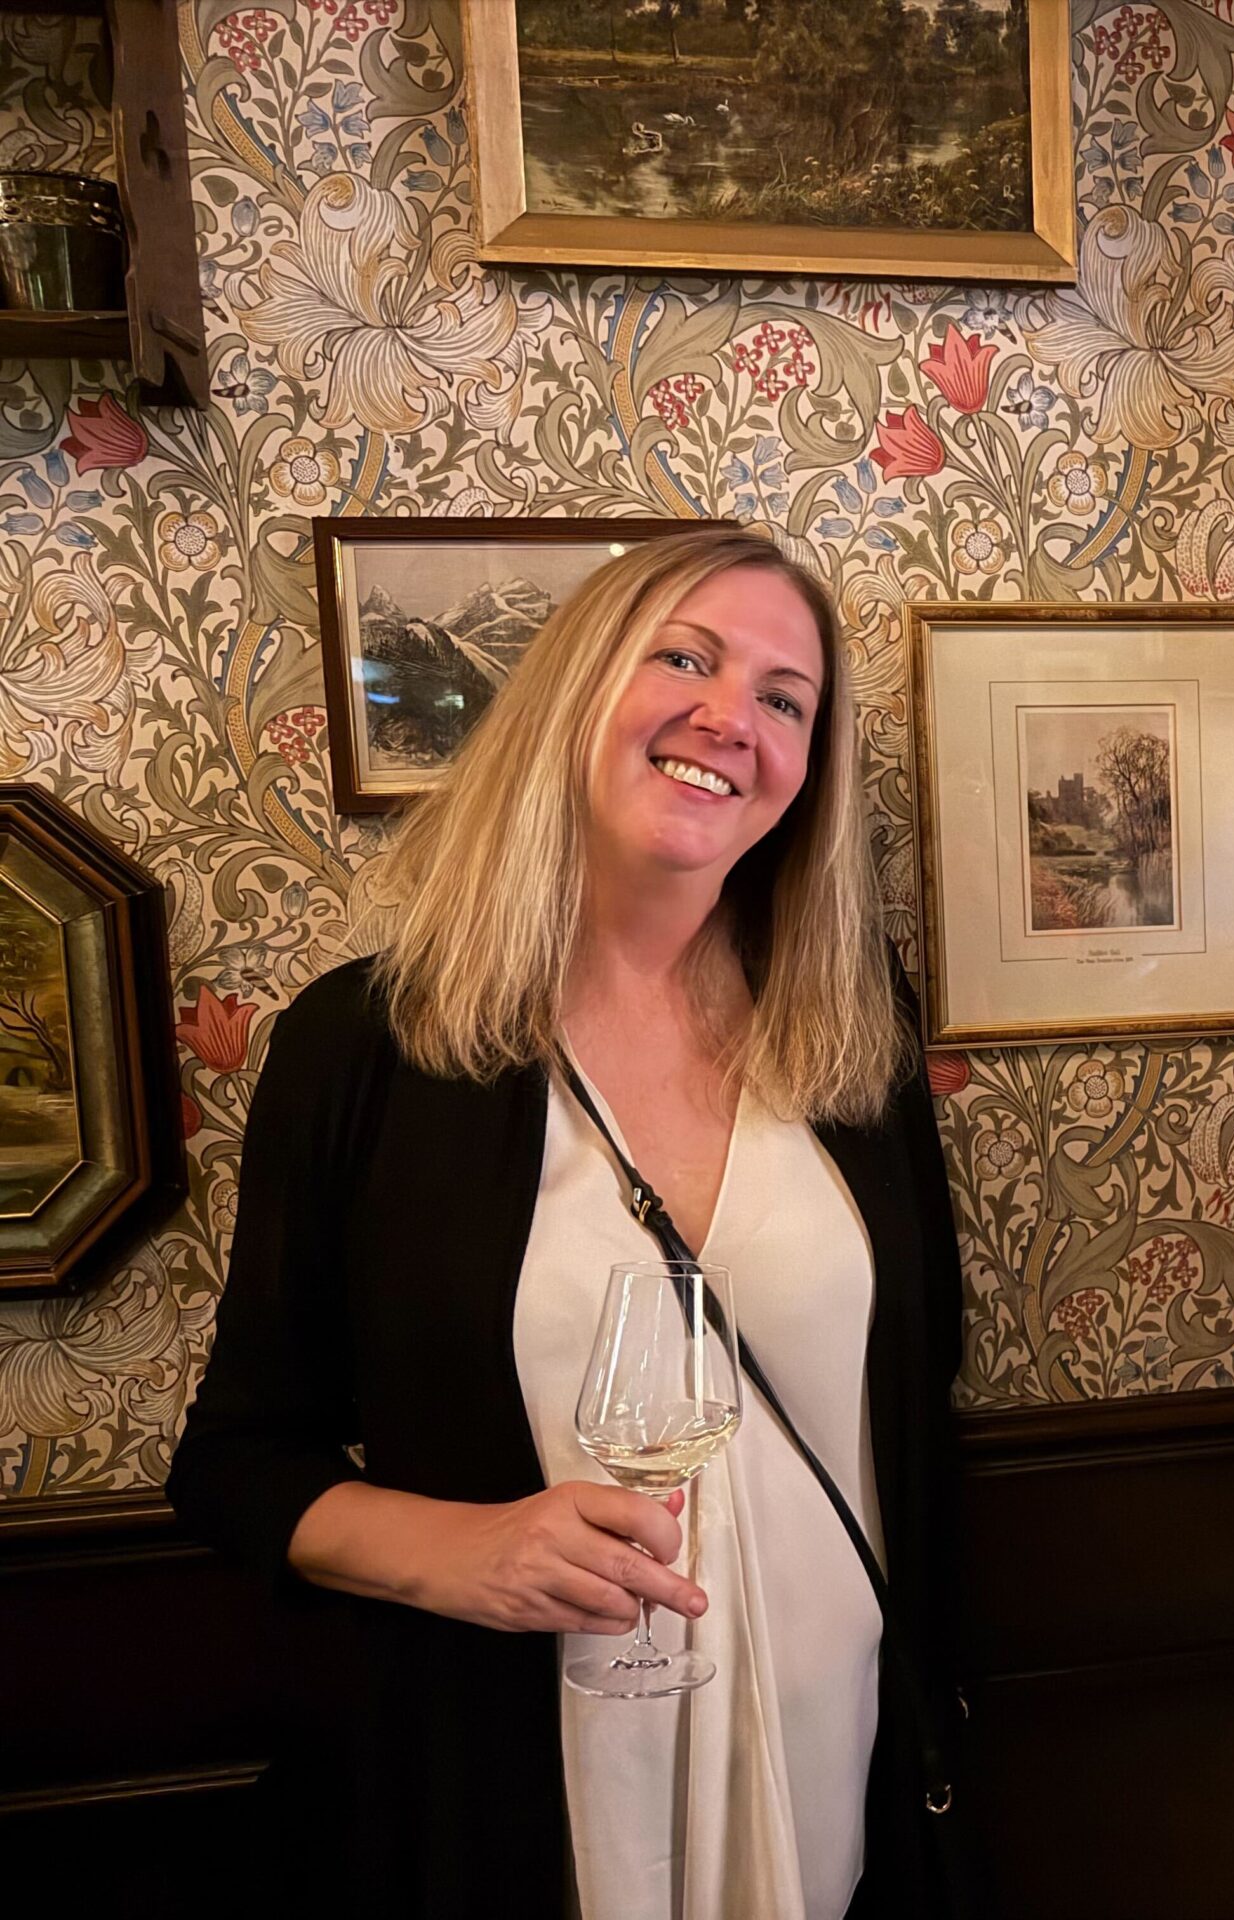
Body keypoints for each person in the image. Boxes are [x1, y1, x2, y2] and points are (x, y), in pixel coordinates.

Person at [168, 528, 969, 1918]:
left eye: (786, 699)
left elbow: (921, 1396)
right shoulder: (364, 1047)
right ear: (577, 690)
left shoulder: (855, 1035)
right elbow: (235, 1463)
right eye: (686, 659)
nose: (732, 717)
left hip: (841, 1770)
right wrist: (464, 1553)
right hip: (517, 1791)